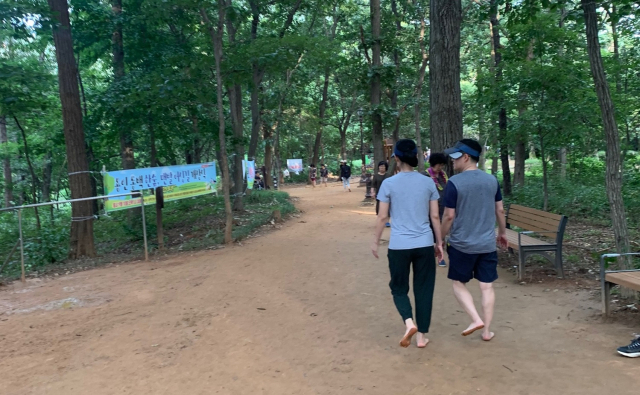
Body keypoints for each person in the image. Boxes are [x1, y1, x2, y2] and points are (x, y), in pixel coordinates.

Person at [371, 139, 444, 349]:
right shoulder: (428, 182)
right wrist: (439, 243)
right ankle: (421, 337)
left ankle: (408, 322)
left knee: (398, 287)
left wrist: (375, 242)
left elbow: (382, 217)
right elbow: (435, 217)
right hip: (424, 244)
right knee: (424, 289)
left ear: (396, 158)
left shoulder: (389, 183)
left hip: (398, 246)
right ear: (416, 158)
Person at [440, 139, 508, 342]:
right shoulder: (491, 180)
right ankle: (487, 331)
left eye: (455, 157)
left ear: (466, 157)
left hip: (462, 244)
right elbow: (500, 209)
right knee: (486, 286)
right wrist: (502, 232)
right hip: (487, 244)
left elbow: (449, 216)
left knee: (458, 283)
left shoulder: (454, 183)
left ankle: (475, 319)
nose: (452, 161)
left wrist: (440, 238)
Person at [427, 153, 449, 267]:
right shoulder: (425, 175)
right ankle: (430, 256)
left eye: (442, 165)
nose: (441, 167)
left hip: (442, 209)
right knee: (430, 233)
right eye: (439, 165)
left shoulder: (443, 176)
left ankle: (441, 257)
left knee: (441, 233)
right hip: (428, 210)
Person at [371, 161, 391, 228]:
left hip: (387, 193)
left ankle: (387, 221)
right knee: (379, 208)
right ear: (378, 167)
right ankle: (380, 221)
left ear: (386, 167)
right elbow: (373, 185)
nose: (382, 168)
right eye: (381, 166)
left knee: (388, 208)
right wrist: (372, 192)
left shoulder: (388, 176)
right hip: (379, 194)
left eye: (383, 166)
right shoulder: (376, 176)